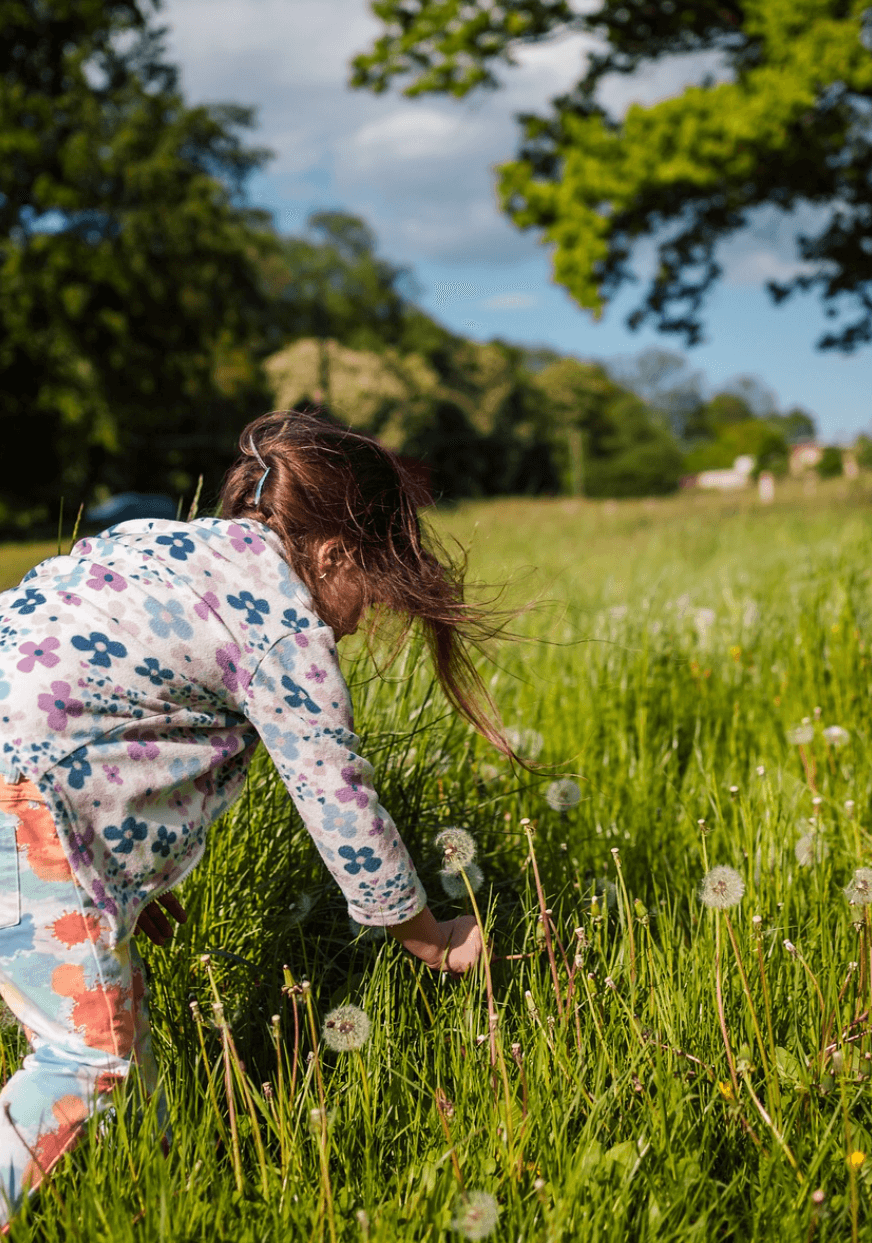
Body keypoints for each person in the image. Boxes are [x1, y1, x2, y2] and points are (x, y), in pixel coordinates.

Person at [0, 410, 504, 1226]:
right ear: (334, 553)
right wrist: (427, 933)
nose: (363, 614)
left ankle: (163, 1192)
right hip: (25, 802)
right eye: (369, 585)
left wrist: (116, 871)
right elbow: (337, 794)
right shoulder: (283, 622)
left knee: (122, 1032)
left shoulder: (162, 544)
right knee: (88, 1058)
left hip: (31, 799)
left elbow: (91, 693)